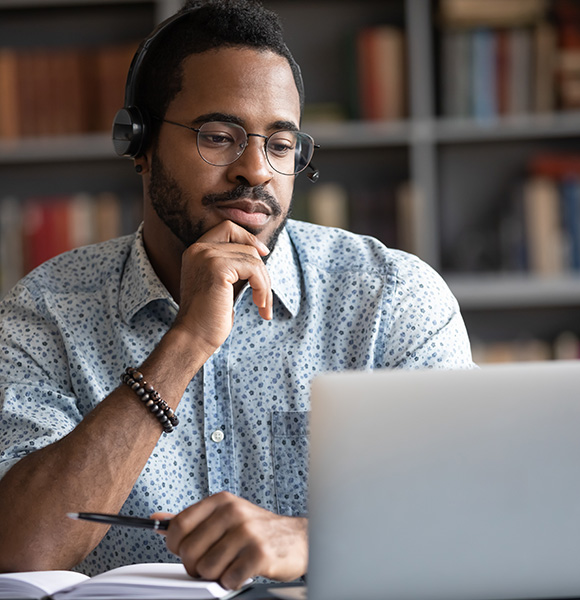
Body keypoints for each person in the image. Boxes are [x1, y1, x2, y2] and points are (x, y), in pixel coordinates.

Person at [0, 0, 474, 588]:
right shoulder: (46, 312)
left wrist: (311, 539)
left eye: (280, 145)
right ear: (139, 145)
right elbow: (21, 548)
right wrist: (186, 343)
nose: (256, 170)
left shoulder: (392, 299)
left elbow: (470, 517)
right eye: (219, 136)